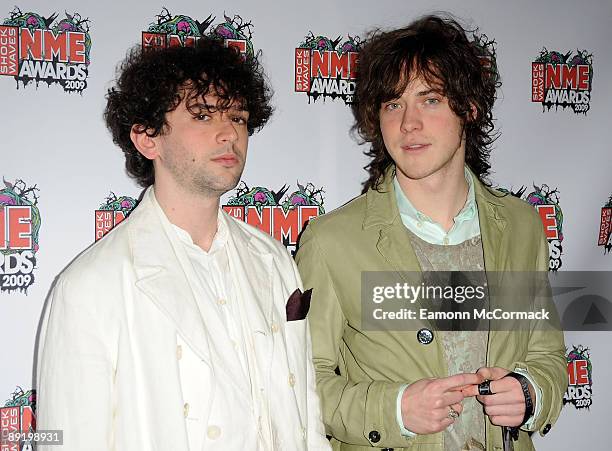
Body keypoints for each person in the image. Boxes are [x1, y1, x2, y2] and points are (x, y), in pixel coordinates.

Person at [36, 37, 330, 450]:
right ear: (147, 138)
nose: (230, 133)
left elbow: (305, 418)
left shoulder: (275, 259)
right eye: (203, 116)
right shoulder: (90, 286)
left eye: (240, 118)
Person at [295, 15, 566, 451]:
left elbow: (546, 354)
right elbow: (302, 384)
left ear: (470, 108)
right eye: (392, 104)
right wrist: (394, 408)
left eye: (431, 100)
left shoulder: (521, 227)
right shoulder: (331, 242)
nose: (408, 123)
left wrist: (531, 392)